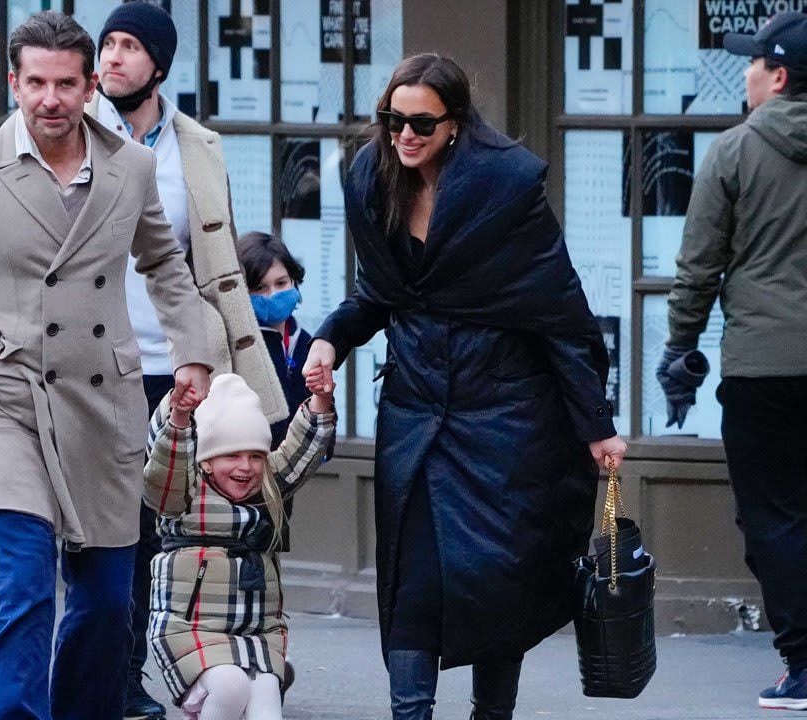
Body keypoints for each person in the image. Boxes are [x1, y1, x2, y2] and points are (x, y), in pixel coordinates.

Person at [0, 11, 211, 720]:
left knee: (104, 602)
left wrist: (194, 349)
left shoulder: (129, 166)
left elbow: (162, 259)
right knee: (26, 586)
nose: (50, 99)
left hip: (105, 405)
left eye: (66, 84)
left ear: (90, 84)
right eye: (35, 82)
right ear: (13, 82)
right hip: (12, 402)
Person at [301, 54, 628, 720]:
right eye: (392, 120)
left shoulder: (505, 190)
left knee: (496, 586)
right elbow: (381, 294)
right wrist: (331, 339)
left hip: (505, 421)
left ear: (455, 123)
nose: (404, 135)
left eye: (421, 122)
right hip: (416, 417)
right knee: (412, 584)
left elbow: (560, 318)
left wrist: (597, 424)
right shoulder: (370, 179)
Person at [90, 5, 288, 717]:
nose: (112, 57)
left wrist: (217, 359)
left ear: (160, 66)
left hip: (177, 366)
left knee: (163, 527)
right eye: (107, 44)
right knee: (108, 530)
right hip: (95, 361)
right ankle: (108, 675)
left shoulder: (196, 144)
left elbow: (215, 259)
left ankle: (151, 672)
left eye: (129, 46)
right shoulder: (76, 131)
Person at [659, 11, 807, 711]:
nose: (744, 71)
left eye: (754, 62)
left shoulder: (734, 152)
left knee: (775, 517)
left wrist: (679, 348)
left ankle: (805, 666)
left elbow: (699, 269)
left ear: (777, 77)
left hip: (765, 367)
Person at [143, 373, 335, 720]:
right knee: (230, 687)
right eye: (231, 455)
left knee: (265, 702)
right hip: (191, 631)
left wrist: (320, 403)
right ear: (205, 460)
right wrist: (181, 418)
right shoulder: (184, 494)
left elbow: (298, 456)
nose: (245, 467)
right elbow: (165, 469)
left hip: (256, 633)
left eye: (255, 456)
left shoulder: (264, 487)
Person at [238, 231, 312, 447]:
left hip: (297, 463)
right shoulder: (240, 344)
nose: (272, 295)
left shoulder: (306, 342)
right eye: (260, 288)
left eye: (281, 283)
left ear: (294, 282)